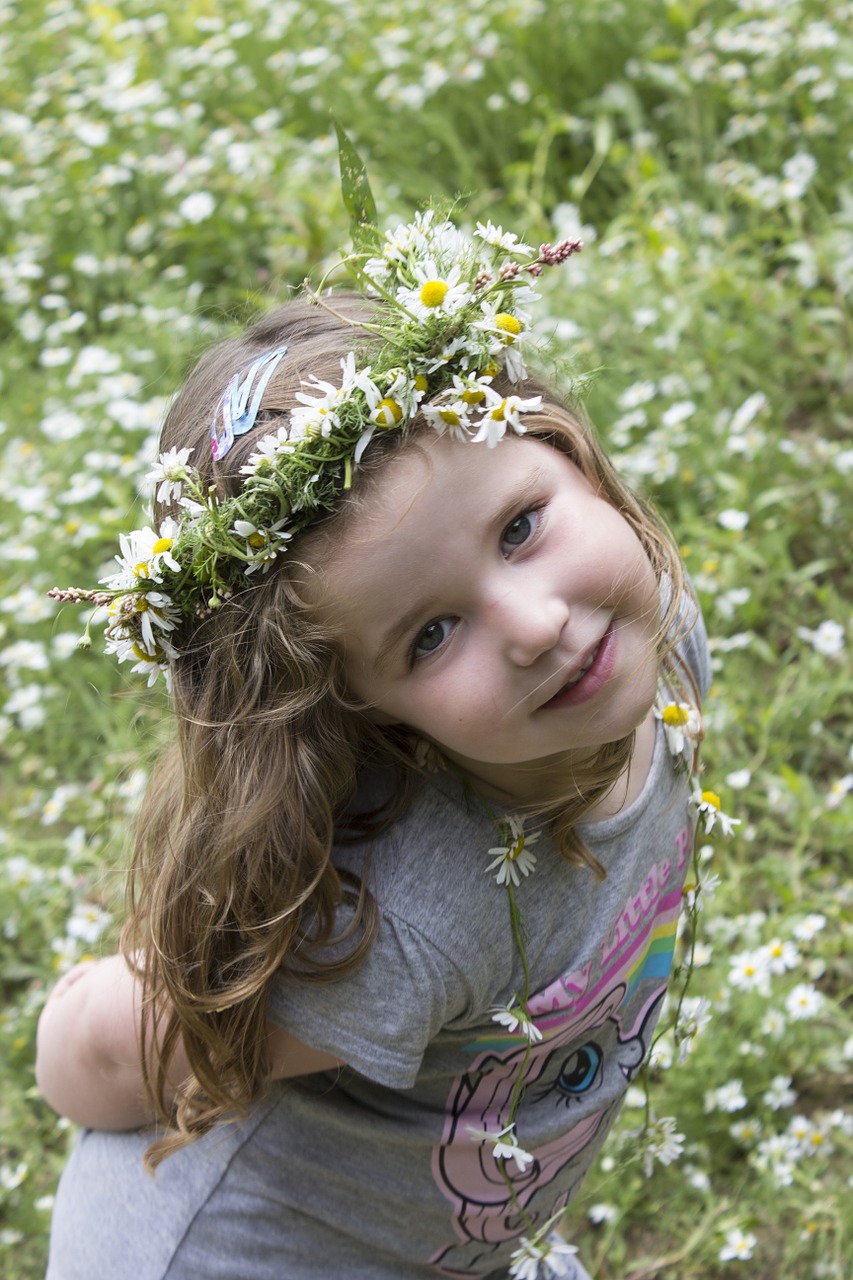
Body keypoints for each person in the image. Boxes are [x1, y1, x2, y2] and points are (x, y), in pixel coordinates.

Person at [37, 202, 727, 1280]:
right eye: (431, 633)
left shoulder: (656, 639)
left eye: (519, 526)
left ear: (555, 444)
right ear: (355, 709)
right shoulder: (400, 916)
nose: (538, 623)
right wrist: (107, 997)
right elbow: (87, 1060)